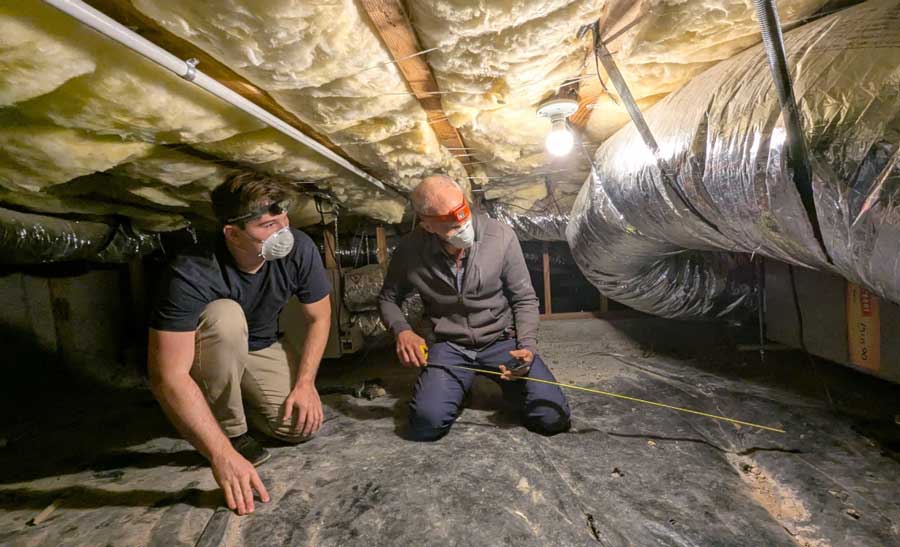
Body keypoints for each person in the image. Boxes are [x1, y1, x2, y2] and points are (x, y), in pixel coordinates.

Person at [147, 172, 332, 515]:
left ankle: (229, 401)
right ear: (232, 233)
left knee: (297, 426)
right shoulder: (191, 272)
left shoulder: (299, 248)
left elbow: (319, 318)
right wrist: (221, 454)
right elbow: (167, 375)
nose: (283, 232)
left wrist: (306, 384)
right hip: (211, 346)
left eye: (283, 219)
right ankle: (230, 430)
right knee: (226, 316)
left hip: (260, 345)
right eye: (268, 226)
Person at [378, 175, 571, 441]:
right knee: (426, 424)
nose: (464, 226)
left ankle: (506, 386)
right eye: (453, 224)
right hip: (450, 346)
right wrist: (402, 330)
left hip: (501, 340)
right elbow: (387, 298)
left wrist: (527, 346)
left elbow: (524, 298)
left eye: (464, 214)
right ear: (427, 224)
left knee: (551, 418)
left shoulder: (500, 236)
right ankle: (460, 383)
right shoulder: (410, 250)